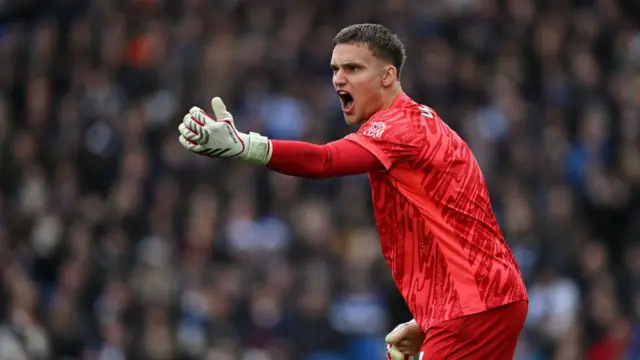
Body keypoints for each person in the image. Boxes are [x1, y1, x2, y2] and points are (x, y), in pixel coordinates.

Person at [177, 23, 529, 360]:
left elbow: (325, 160)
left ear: (387, 76)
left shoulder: (397, 127)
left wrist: (246, 146)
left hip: (471, 308)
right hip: (483, 301)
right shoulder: (423, 122)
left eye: (353, 68)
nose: (339, 79)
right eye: (335, 69)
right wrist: (429, 320)